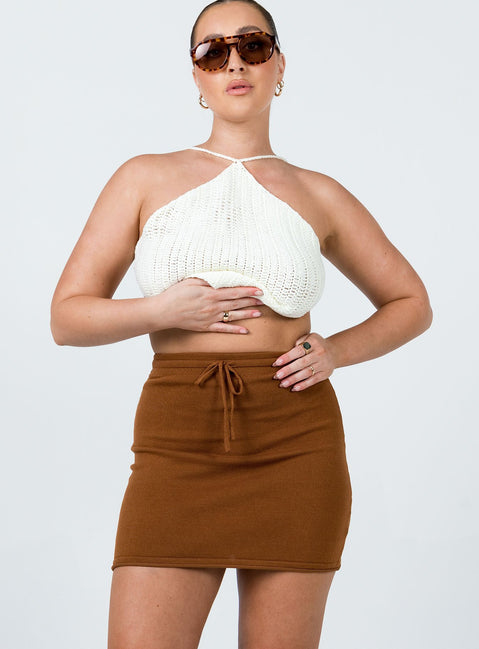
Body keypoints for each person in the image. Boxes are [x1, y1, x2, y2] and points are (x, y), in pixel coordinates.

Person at [50, 1, 433, 647]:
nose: (234, 63)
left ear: (278, 65)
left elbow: (410, 302)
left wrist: (335, 350)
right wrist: (160, 311)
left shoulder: (318, 192)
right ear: (195, 74)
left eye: (252, 46)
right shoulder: (143, 177)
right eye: (213, 51)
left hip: (295, 437)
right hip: (176, 436)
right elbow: (67, 317)